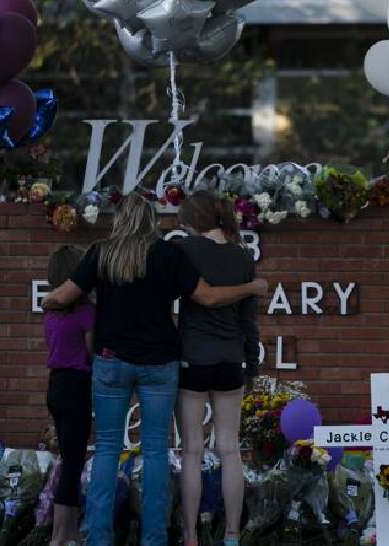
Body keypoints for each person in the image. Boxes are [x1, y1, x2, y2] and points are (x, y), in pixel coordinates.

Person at [41, 192, 268, 546]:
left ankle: (99, 538)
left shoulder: (101, 252)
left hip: (111, 360)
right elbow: (208, 298)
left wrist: (49, 300)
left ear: (119, 220)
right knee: (156, 450)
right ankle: (154, 538)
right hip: (159, 364)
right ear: (151, 221)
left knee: (106, 449)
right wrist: (251, 287)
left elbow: (63, 296)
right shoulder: (169, 254)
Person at [174, 191, 259, 546]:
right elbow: (249, 320)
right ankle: (232, 535)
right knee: (229, 449)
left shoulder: (184, 250)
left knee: (192, 449)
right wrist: (251, 364)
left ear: (193, 220)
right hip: (230, 360)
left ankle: (191, 534)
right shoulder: (243, 256)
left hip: (192, 358)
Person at [41, 245, 95, 546]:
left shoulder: (50, 312)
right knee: (74, 464)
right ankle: (59, 537)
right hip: (77, 386)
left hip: (56, 385)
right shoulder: (86, 313)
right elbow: (90, 350)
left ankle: (70, 531)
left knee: (69, 458)